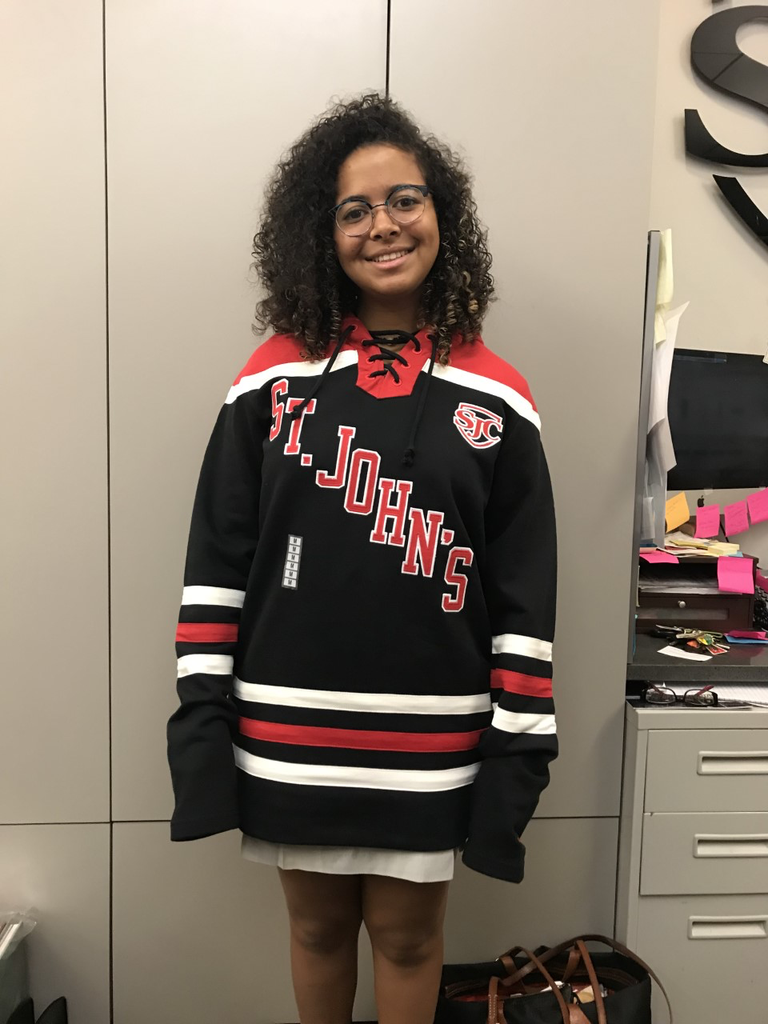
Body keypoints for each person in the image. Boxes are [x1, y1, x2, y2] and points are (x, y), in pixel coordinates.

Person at [167, 92, 558, 1024]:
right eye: (354, 209)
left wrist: (516, 736)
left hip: (431, 735)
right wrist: (203, 709)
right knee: (311, 934)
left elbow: (524, 589)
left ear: (441, 215)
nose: (383, 225)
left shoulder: (497, 394)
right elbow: (218, 554)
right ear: (322, 232)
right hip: (291, 726)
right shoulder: (271, 376)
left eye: (405, 200)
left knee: (413, 941)